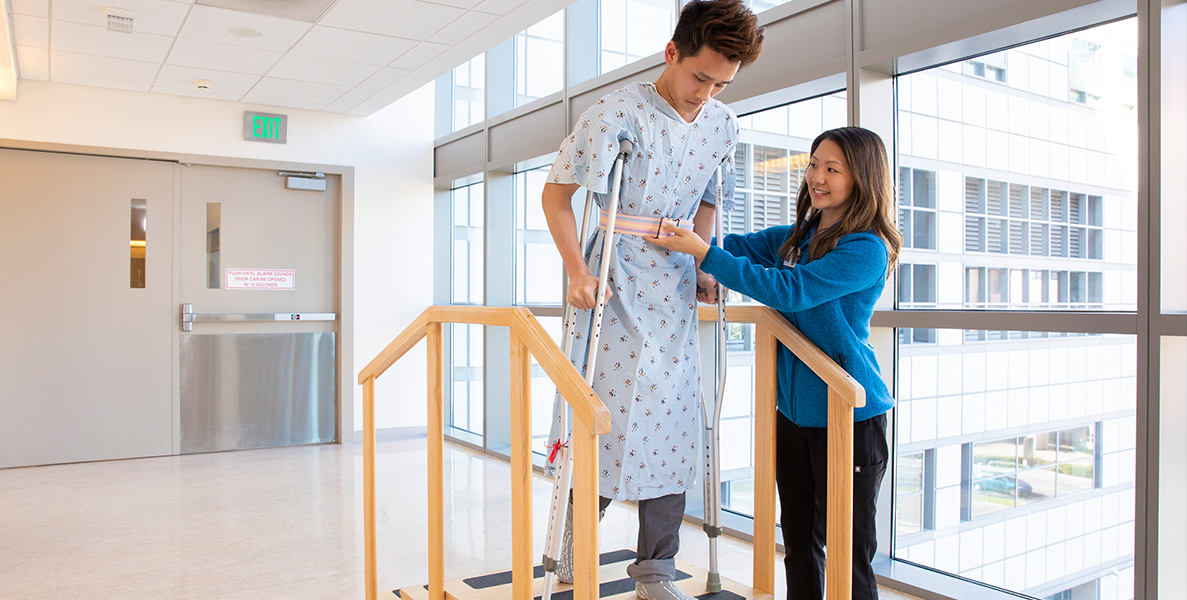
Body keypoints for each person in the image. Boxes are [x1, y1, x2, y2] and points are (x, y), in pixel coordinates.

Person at [539, 1, 763, 599]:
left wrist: (704, 258)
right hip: (611, 277)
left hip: (674, 287)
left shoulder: (722, 123)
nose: (705, 94)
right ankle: (568, 563)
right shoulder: (617, 112)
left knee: (675, 429)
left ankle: (655, 574)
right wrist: (576, 269)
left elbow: (712, 200)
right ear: (673, 53)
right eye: (700, 77)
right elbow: (556, 196)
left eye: (721, 84)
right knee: (603, 425)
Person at [648, 126, 902, 600]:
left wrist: (707, 256)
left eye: (831, 168)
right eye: (813, 165)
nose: (816, 178)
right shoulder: (802, 235)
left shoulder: (866, 248)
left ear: (861, 178)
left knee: (850, 552)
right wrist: (684, 232)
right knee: (800, 543)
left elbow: (790, 289)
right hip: (795, 413)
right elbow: (740, 245)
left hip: (850, 413)